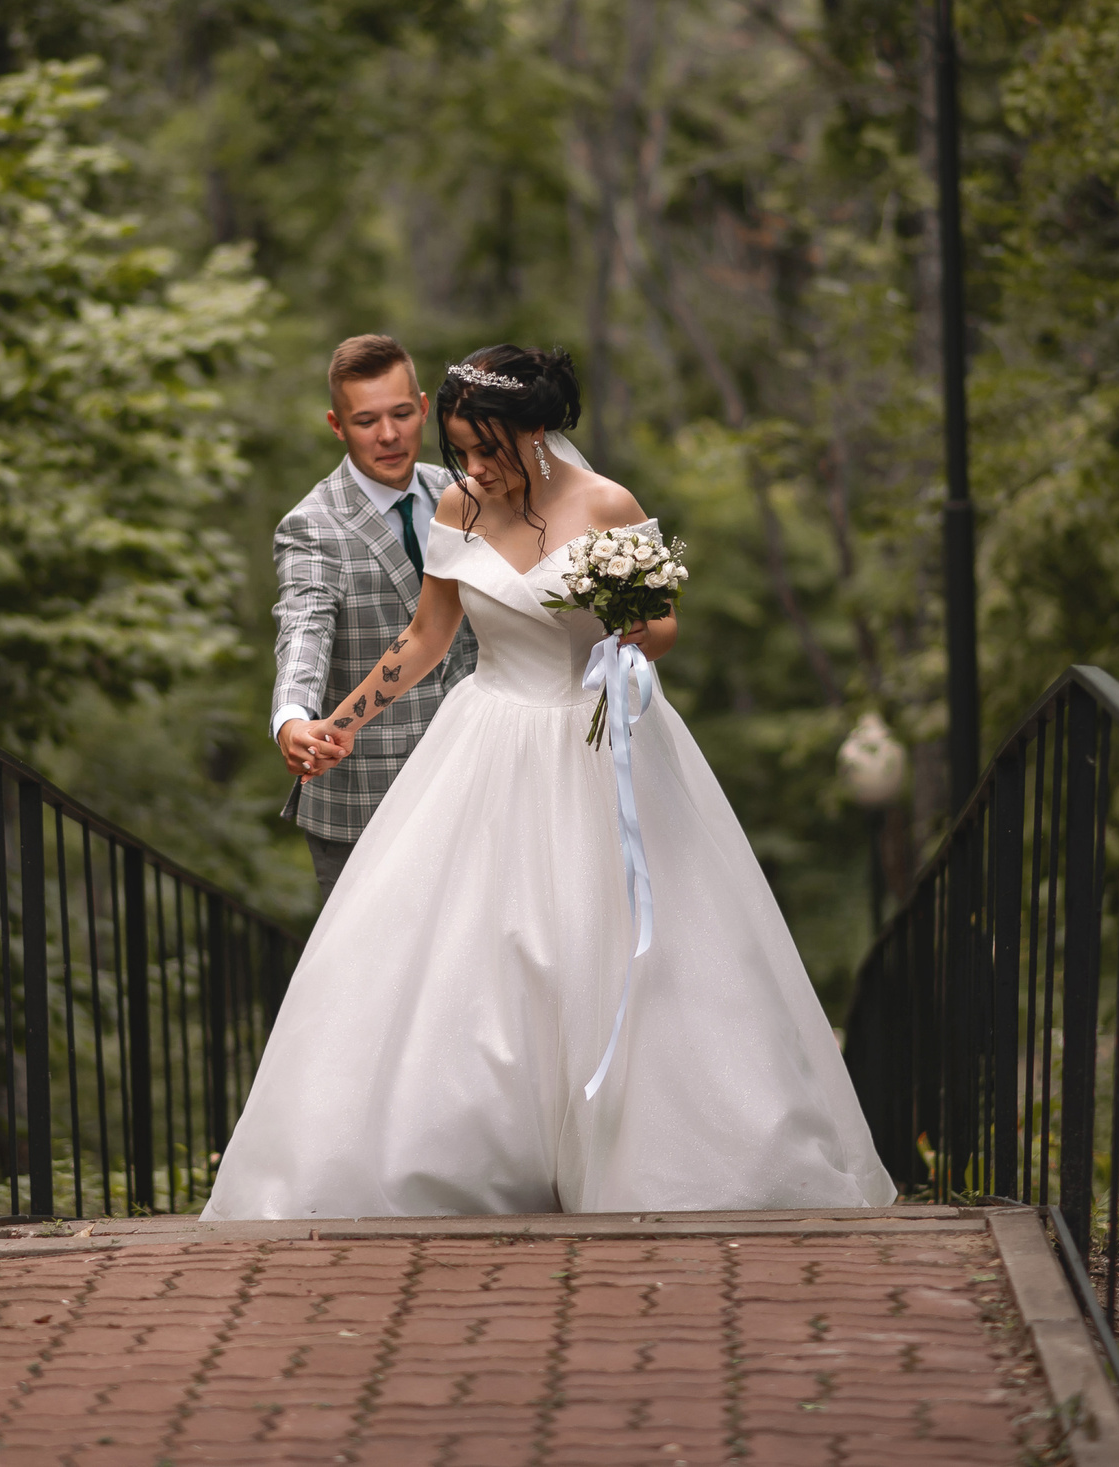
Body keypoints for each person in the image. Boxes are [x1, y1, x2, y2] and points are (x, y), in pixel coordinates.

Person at [206, 345, 895, 1219]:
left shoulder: (606, 504)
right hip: (485, 741)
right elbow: (425, 636)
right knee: (477, 953)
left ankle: (649, 1149)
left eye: (490, 448)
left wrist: (625, 626)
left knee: (605, 942)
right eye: (460, 448)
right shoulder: (457, 504)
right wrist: (336, 724)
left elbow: (662, 627)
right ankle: (468, 1154)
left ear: (537, 431)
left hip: (593, 742)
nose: (475, 468)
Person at [271, 335, 480, 900]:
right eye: (366, 421)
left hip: (481, 779)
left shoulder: (467, 492)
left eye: (401, 414)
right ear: (337, 425)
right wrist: (292, 718)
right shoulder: (312, 525)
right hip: (365, 796)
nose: (388, 436)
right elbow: (303, 628)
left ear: (422, 406)